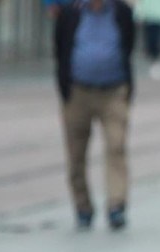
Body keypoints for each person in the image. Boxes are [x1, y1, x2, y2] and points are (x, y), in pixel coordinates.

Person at [54, 0, 136, 230]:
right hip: (78, 92)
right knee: (76, 154)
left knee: (116, 146)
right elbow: (60, 51)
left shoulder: (121, 12)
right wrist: (65, 91)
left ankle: (116, 205)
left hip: (114, 90)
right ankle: (83, 207)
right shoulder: (70, 14)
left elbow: (127, 45)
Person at [134, 0, 160, 79]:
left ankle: (156, 60)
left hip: (159, 17)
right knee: (151, 41)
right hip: (150, 17)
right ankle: (154, 60)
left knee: (157, 41)